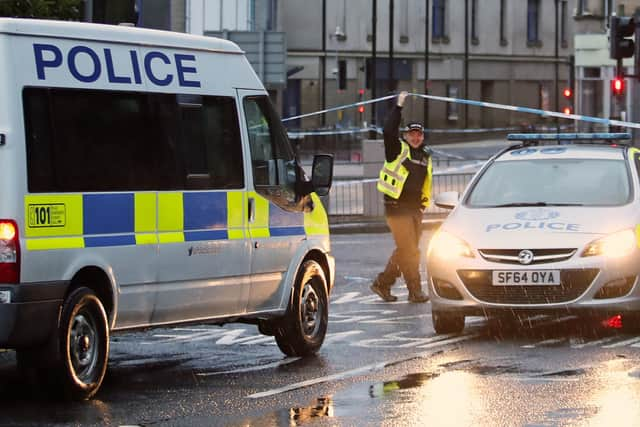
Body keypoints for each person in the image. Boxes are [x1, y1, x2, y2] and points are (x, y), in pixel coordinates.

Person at [370, 91, 432, 303]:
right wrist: (398, 106)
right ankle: (414, 291)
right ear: (406, 135)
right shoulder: (397, 150)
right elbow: (388, 130)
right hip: (396, 208)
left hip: (415, 209)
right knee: (410, 251)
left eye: (419, 134)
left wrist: (424, 205)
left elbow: (427, 183)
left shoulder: (425, 156)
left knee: (408, 250)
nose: (415, 137)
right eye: (412, 134)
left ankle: (383, 283)